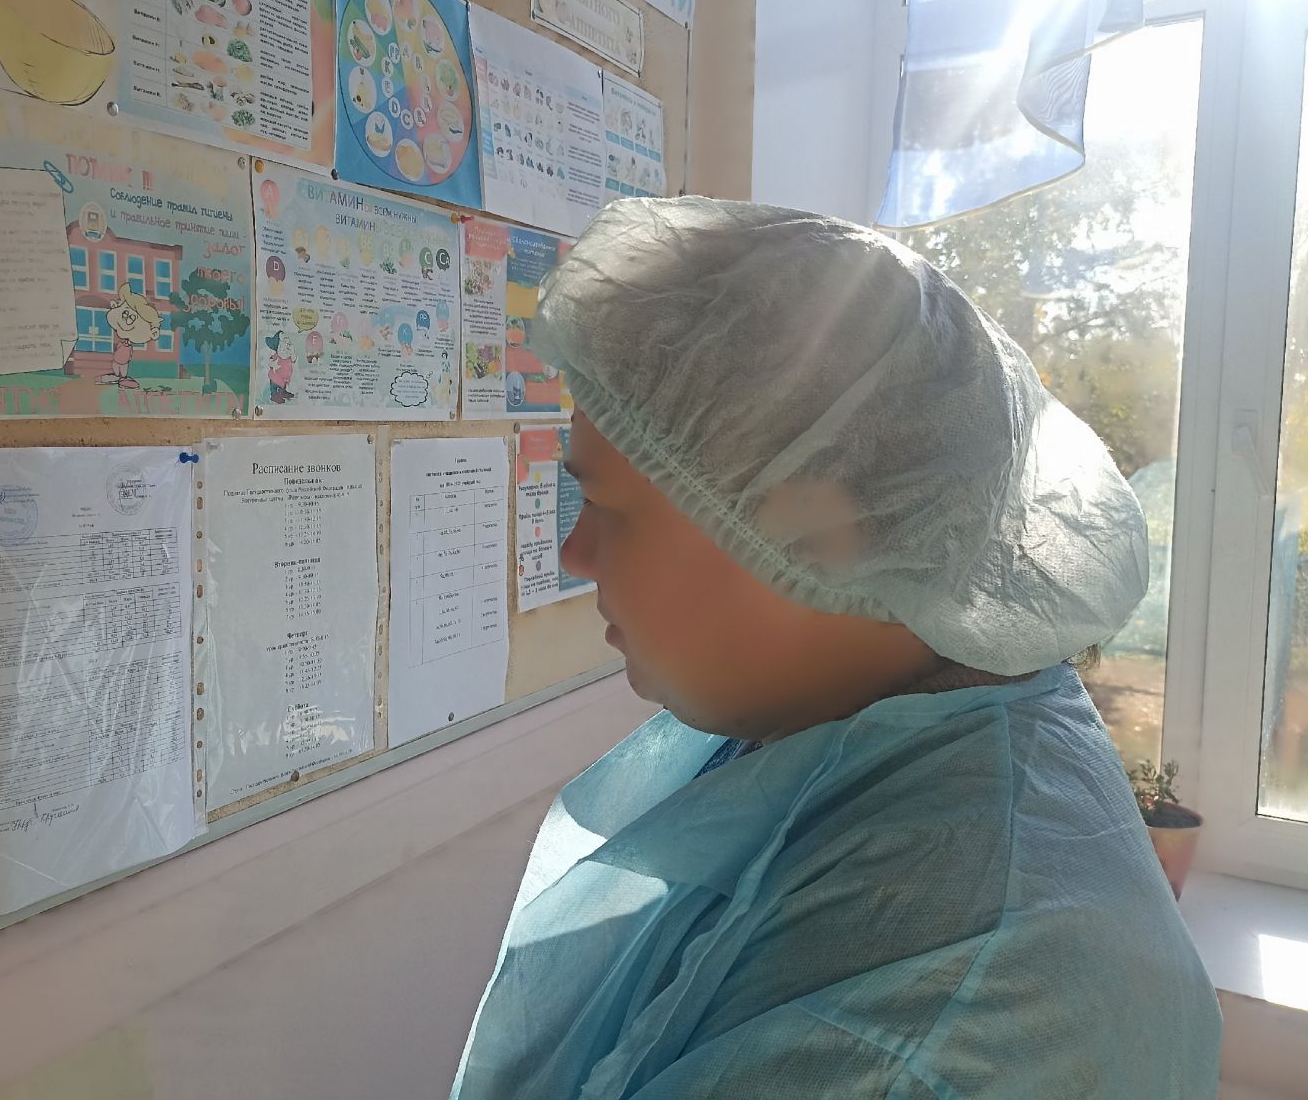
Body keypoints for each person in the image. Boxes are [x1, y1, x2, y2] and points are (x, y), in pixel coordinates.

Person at [450, 199, 1221, 1099]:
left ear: (824, 534)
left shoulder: (920, 1021)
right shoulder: (904, 726)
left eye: (611, 510)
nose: (575, 554)